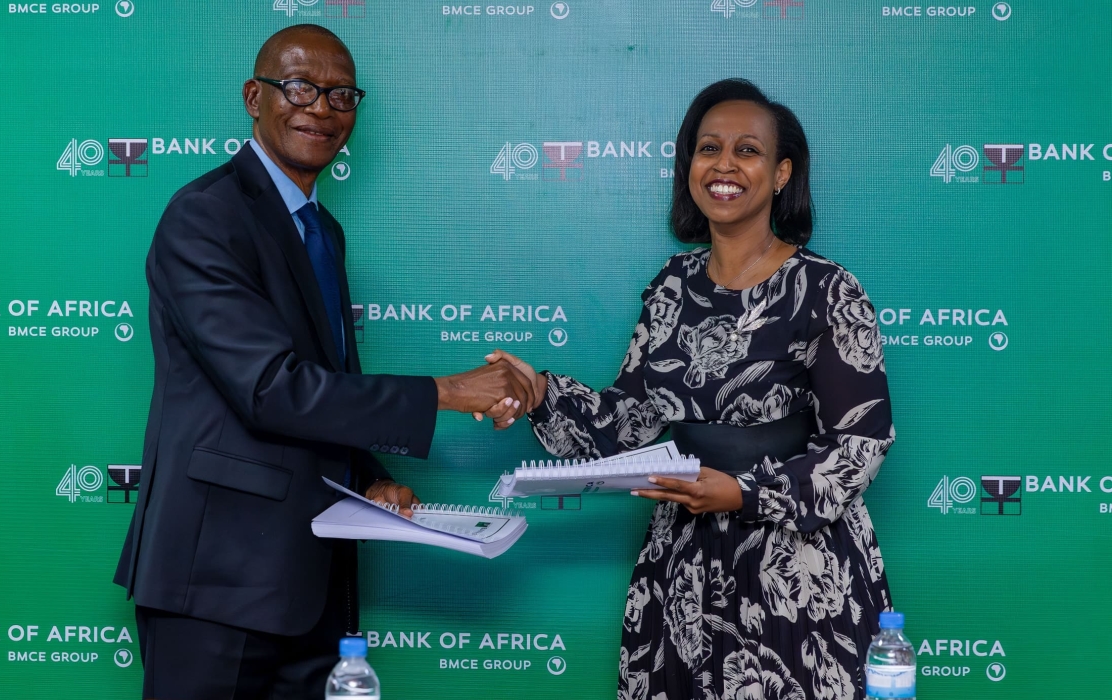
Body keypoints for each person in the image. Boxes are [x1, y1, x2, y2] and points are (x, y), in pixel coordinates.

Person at [113, 24, 535, 700]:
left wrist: (369, 474)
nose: (321, 108)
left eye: (342, 95)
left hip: (313, 588)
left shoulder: (321, 230)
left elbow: (325, 386)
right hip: (216, 585)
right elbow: (269, 388)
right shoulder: (204, 217)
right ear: (255, 97)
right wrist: (450, 391)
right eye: (300, 87)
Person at [485, 79, 895, 700]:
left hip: (795, 570)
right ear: (689, 166)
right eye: (709, 148)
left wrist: (743, 493)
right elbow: (630, 422)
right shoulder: (672, 287)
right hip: (682, 565)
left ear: (782, 173)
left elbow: (861, 445)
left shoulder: (827, 290)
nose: (724, 165)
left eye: (747, 150)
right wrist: (539, 392)